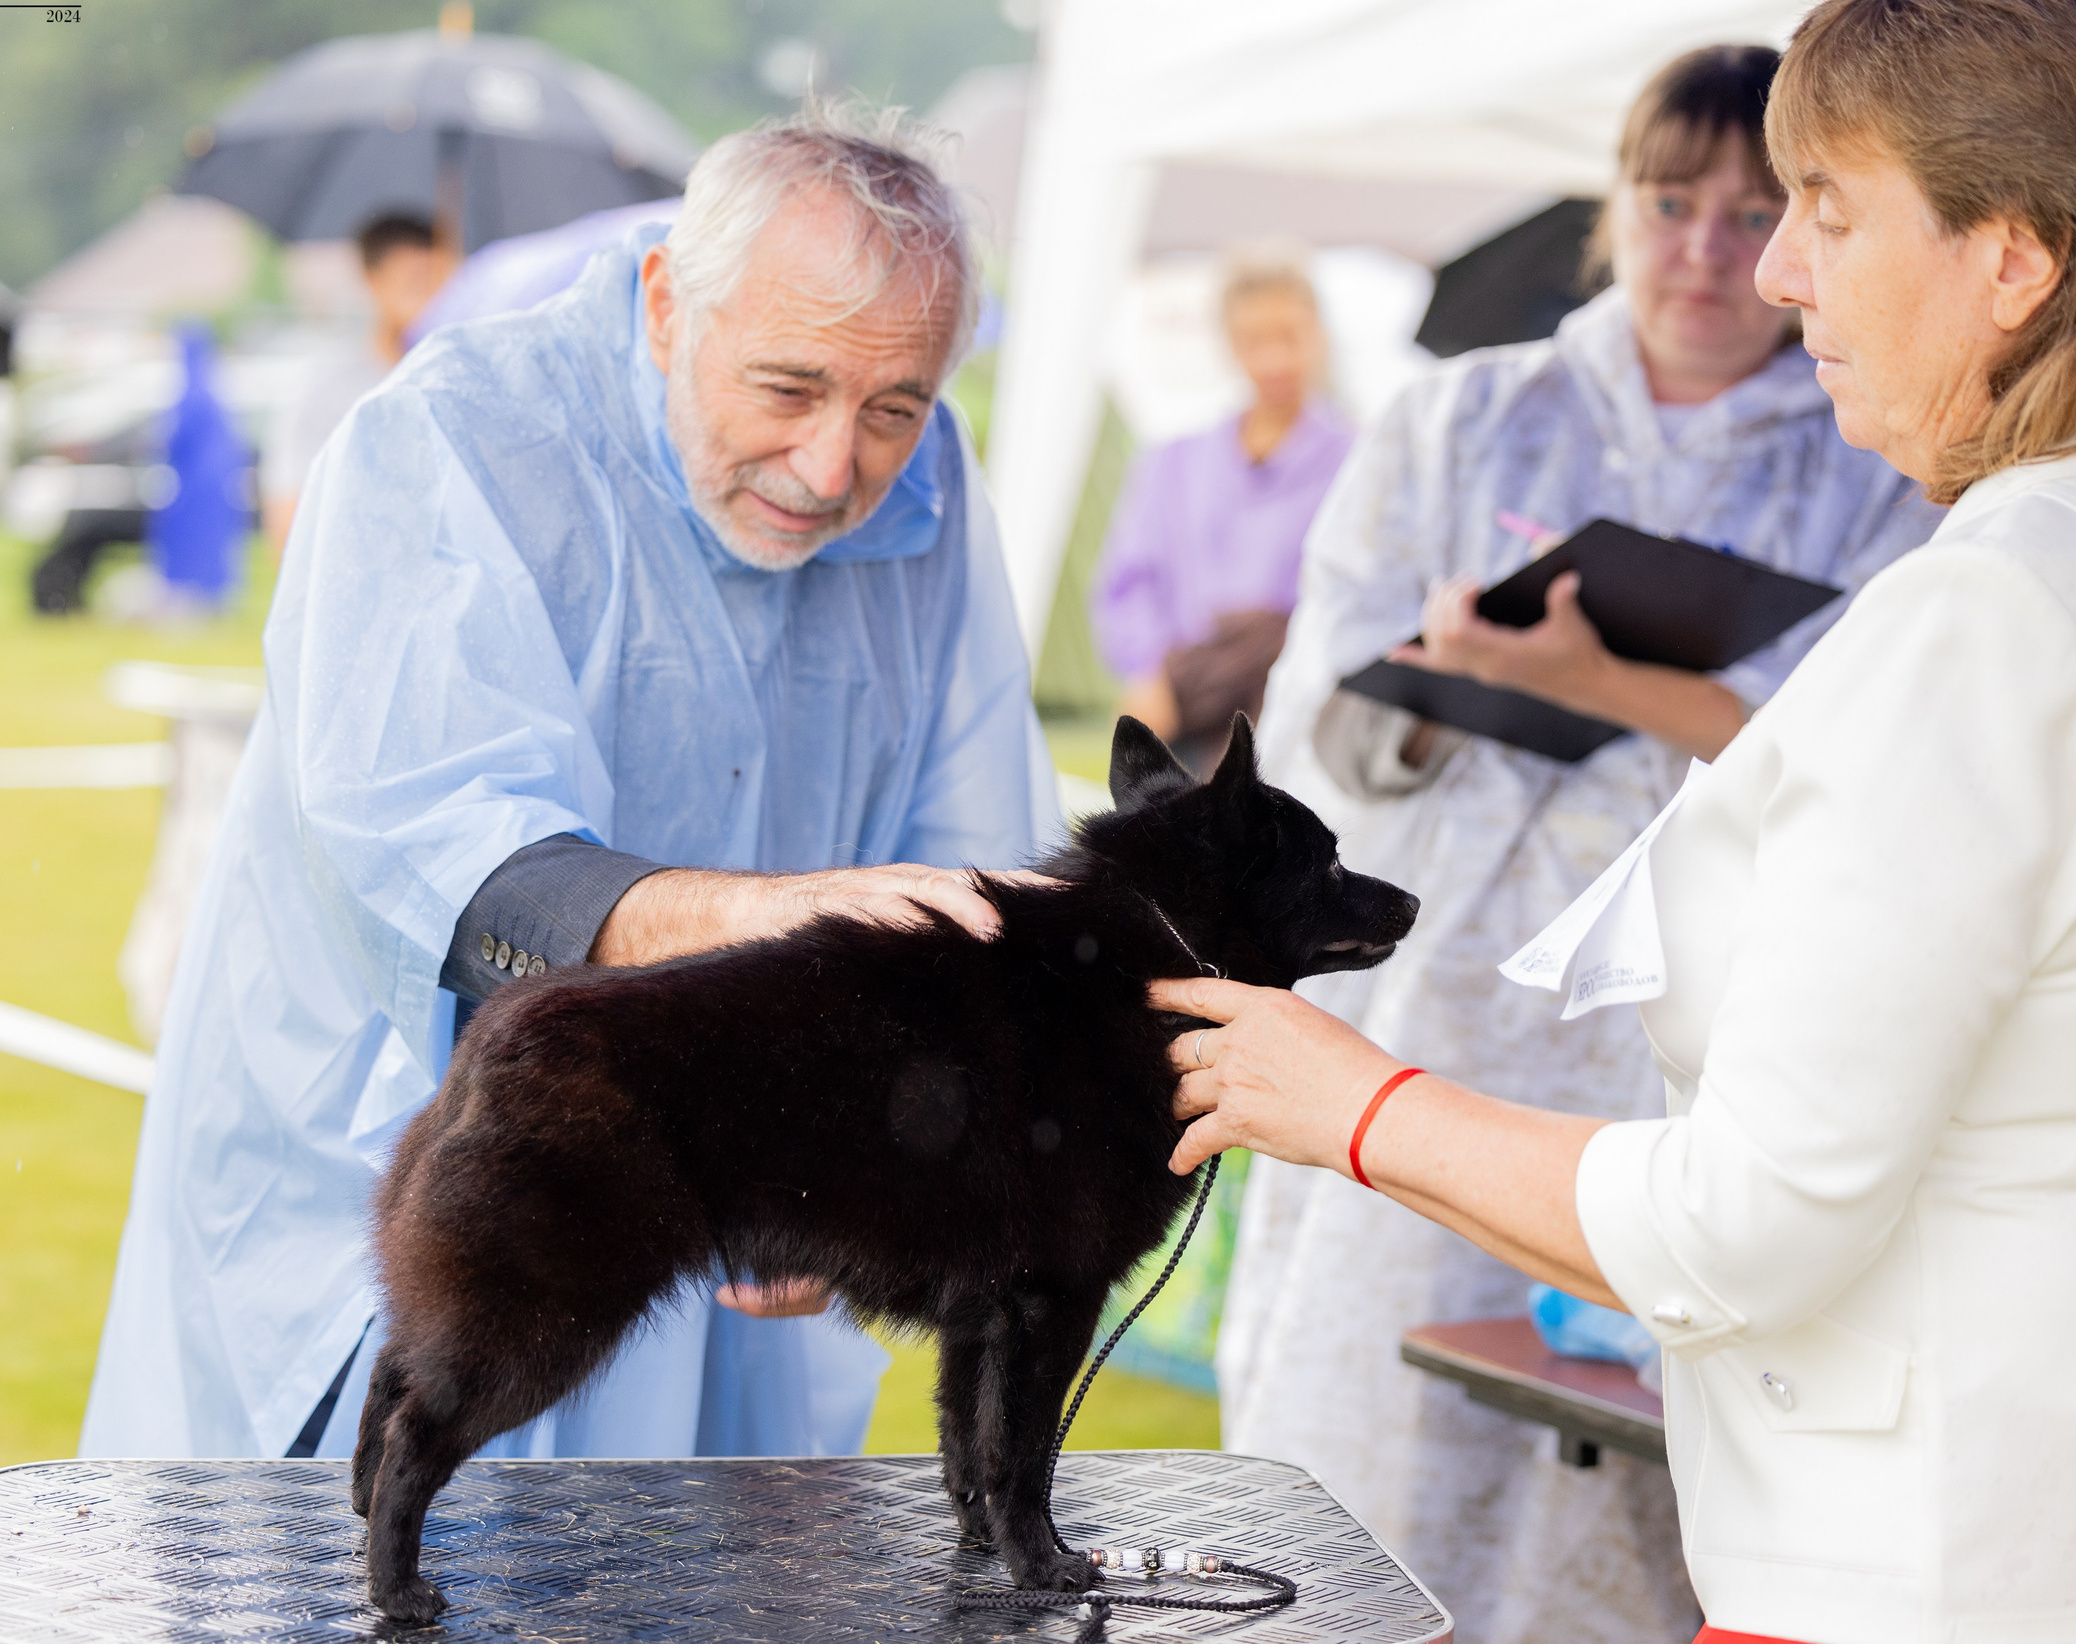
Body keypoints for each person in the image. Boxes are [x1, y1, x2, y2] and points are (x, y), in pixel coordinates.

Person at [1169, 0, 2076, 1643]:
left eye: (1826, 208)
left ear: (2011, 254)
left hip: (1935, 1574)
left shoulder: (1993, 607)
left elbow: (1746, 1229)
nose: (1783, 272)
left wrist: (1352, 1102)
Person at [80, 106, 1061, 1463]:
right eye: (787, 389)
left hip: (720, 1224)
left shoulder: (928, 486)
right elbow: (465, 865)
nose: (835, 467)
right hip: (418, 1196)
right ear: (669, 304)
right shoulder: (448, 443)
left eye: (892, 407)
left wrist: (870, 1148)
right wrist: (794, 940)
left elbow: (981, 854)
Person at [1218, 46, 1937, 1644]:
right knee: (1364, 1438)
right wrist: (1440, 682)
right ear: (1613, 208)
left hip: (1677, 1016)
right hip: (1437, 977)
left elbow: (1878, 766)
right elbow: (1317, 717)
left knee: (1605, 1475)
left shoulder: (1876, 455)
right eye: (1668, 203)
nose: (1701, 249)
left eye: (1750, 211)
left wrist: (1610, 683)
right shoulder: (1462, 417)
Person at [1092, 250, 1352, 768]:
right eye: (1255, 340)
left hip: (1290, 720)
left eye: (1290, 336)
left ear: (1319, 335)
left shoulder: (1355, 461)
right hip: (1184, 707)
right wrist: (1148, 671)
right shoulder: (1174, 462)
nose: (1274, 359)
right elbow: (1130, 579)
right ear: (1230, 345)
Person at [258, 211, 455, 555]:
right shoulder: (330, 394)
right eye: (417, 281)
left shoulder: (462, 386)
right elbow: (289, 528)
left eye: (446, 280)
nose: (435, 297)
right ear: (372, 280)